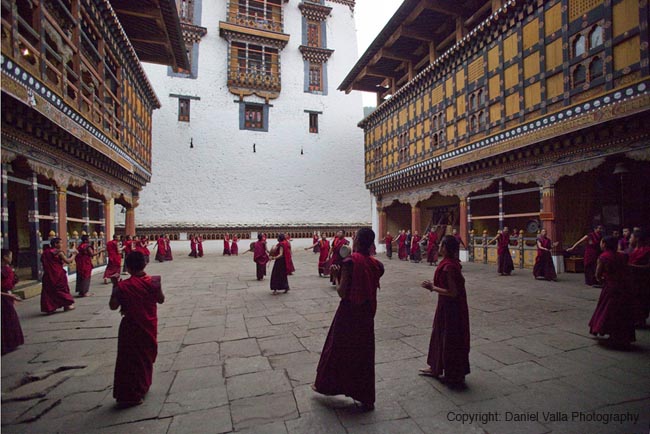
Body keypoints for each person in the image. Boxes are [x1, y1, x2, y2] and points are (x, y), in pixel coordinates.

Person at [313, 228, 384, 411]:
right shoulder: (378, 265)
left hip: (349, 313)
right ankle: (365, 396)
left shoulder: (350, 262)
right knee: (364, 353)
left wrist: (336, 276)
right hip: (367, 315)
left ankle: (327, 385)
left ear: (357, 242)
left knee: (337, 348)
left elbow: (342, 292)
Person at [109, 251, 164, 407]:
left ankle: (131, 393)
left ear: (128, 267)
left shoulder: (122, 286)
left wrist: (115, 286)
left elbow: (113, 306)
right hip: (148, 324)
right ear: (145, 263)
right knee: (144, 358)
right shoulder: (154, 282)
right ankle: (141, 388)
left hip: (130, 327)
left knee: (129, 360)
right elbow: (161, 299)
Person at [419, 235, 470, 386]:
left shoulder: (449, 267)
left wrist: (432, 288)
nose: (440, 248)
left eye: (442, 245)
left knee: (448, 337)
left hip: (451, 309)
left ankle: (450, 371)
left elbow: (453, 292)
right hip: (449, 306)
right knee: (440, 335)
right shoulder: (451, 263)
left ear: (446, 248)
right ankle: (436, 367)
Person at [588, 236, 635, 349]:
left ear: (604, 244)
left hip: (611, 287)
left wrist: (602, 279)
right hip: (624, 287)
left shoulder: (604, 257)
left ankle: (608, 331)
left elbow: (598, 274)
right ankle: (622, 335)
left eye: (601, 242)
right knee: (622, 311)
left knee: (607, 310)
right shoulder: (623, 255)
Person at [41, 238, 76, 314]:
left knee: (49, 292)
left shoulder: (45, 252)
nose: (61, 245)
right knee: (62, 290)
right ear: (56, 244)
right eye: (60, 243)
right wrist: (74, 255)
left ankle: (50, 308)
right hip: (58, 274)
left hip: (48, 275)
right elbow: (67, 261)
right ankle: (67, 305)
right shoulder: (58, 252)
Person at [2, 249, 24, 355]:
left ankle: (10, 343)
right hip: (3, 298)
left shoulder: (7, 268)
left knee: (10, 320)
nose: (11, 258)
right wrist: (9, 295)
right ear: (5, 257)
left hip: (7, 297)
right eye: (10, 256)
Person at [628, 228, 650, 328]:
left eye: (631, 237)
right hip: (631, 279)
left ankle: (641, 320)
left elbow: (648, 267)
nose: (629, 239)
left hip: (642, 280)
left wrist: (631, 266)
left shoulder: (647, 250)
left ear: (637, 239)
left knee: (641, 300)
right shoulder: (631, 249)